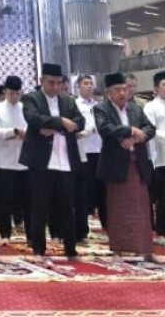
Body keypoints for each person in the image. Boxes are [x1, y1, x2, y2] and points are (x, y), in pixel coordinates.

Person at [19, 62, 83, 262]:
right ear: (42, 81)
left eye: (58, 83)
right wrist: (62, 122)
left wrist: (55, 126)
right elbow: (34, 119)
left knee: (67, 207)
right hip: (41, 161)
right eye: (51, 83)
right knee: (39, 206)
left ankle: (71, 249)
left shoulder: (68, 101)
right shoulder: (32, 98)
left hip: (65, 160)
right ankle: (38, 250)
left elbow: (80, 122)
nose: (55, 87)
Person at [93, 72, 157, 261]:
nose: (122, 93)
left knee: (142, 208)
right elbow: (105, 130)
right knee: (118, 208)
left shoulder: (135, 109)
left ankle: (146, 250)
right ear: (109, 92)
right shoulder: (101, 109)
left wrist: (135, 138)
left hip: (138, 164)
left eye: (124, 89)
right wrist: (130, 130)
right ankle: (118, 249)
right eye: (118, 90)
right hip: (116, 166)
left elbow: (150, 129)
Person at [0, 76, 29, 245]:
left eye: (17, 94)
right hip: (3, 161)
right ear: (5, 91)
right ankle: (5, 233)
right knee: (4, 200)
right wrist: (14, 132)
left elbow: (32, 129)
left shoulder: (26, 109)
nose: (14, 97)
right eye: (11, 93)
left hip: (24, 161)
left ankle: (29, 233)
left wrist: (25, 134)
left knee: (26, 199)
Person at [144, 71, 165, 237]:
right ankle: (162, 231)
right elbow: (150, 130)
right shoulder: (150, 107)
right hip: (161, 156)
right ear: (156, 88)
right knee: (163, 197)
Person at [74, 74, 104, 242]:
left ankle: (105, 222)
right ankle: (84, 220)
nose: (89, 86)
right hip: (84, 150)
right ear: (79, 86)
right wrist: (87, 131)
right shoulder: (75, 105)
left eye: (91, 83)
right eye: (85, 83)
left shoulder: (98, 106)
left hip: (99, 149)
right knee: (85, 188)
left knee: (101, 188)